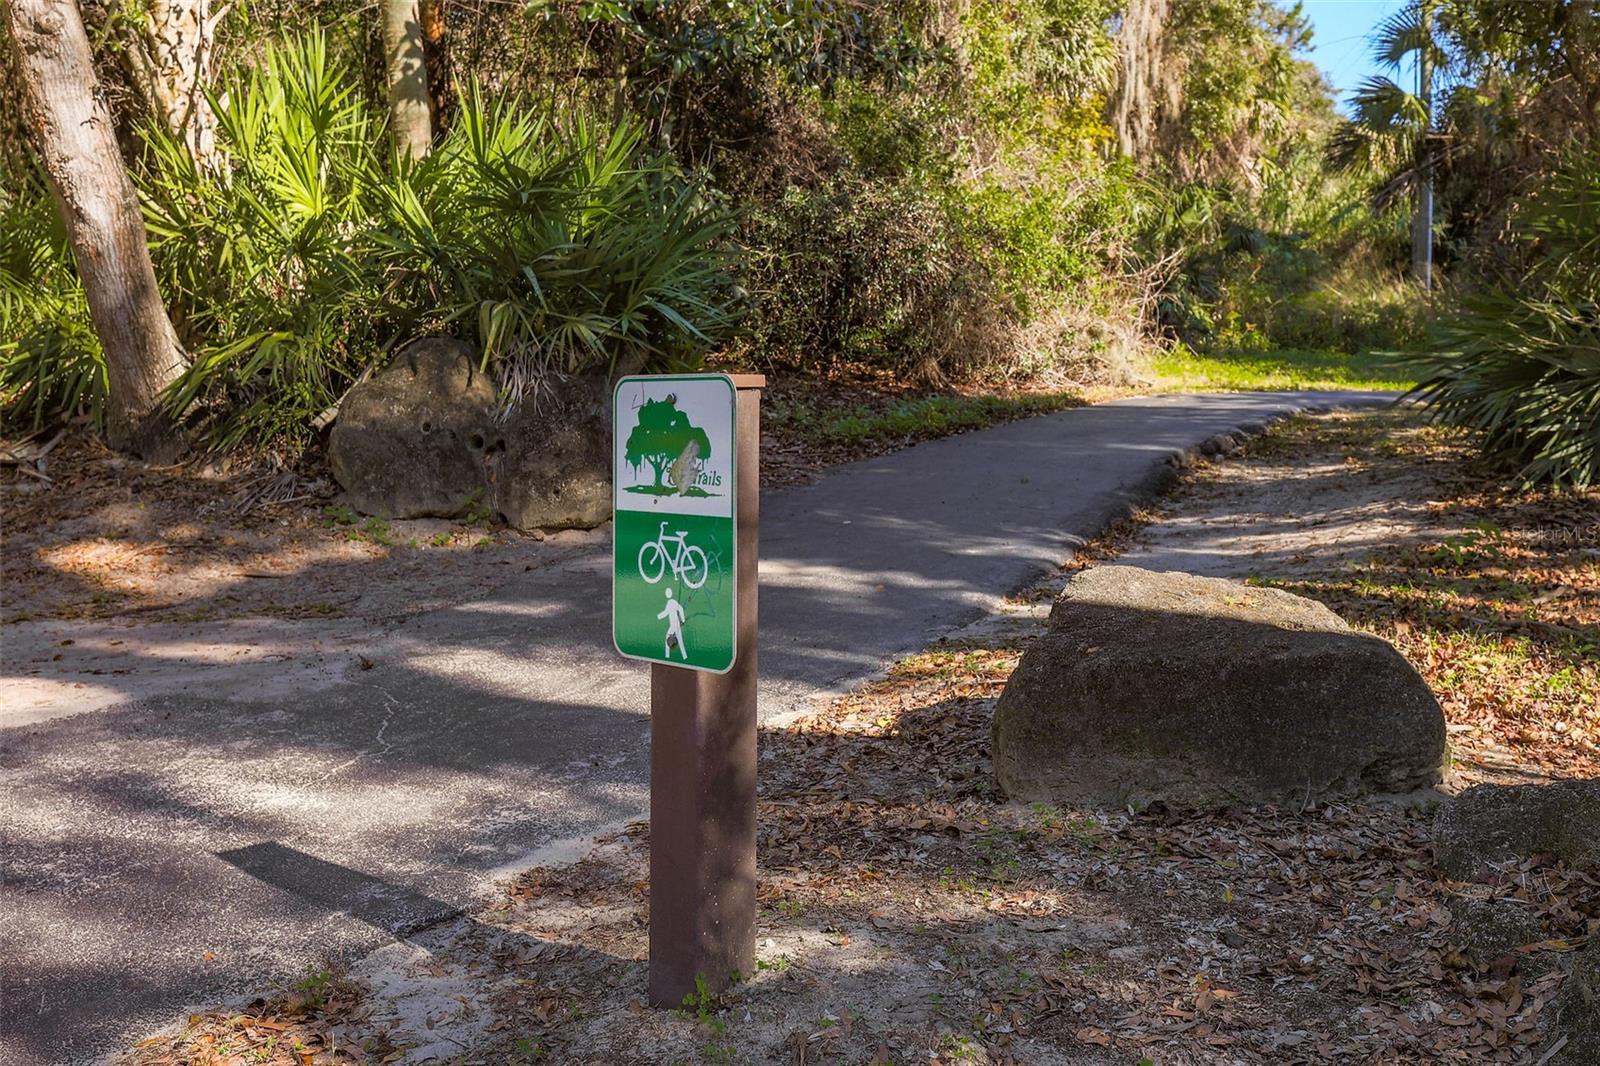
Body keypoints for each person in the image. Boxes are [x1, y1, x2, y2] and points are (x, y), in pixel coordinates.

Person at [658, 587, 688, 660]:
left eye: (667, 592)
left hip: (675, 624)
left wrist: (683, 620)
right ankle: (683, 656)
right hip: (674, 624)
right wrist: (682, 620)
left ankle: (667, 656)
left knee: (671, 638)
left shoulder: (671, 602)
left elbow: (679, 609)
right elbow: (667, 612)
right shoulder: (671, 602)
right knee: (679, 640)